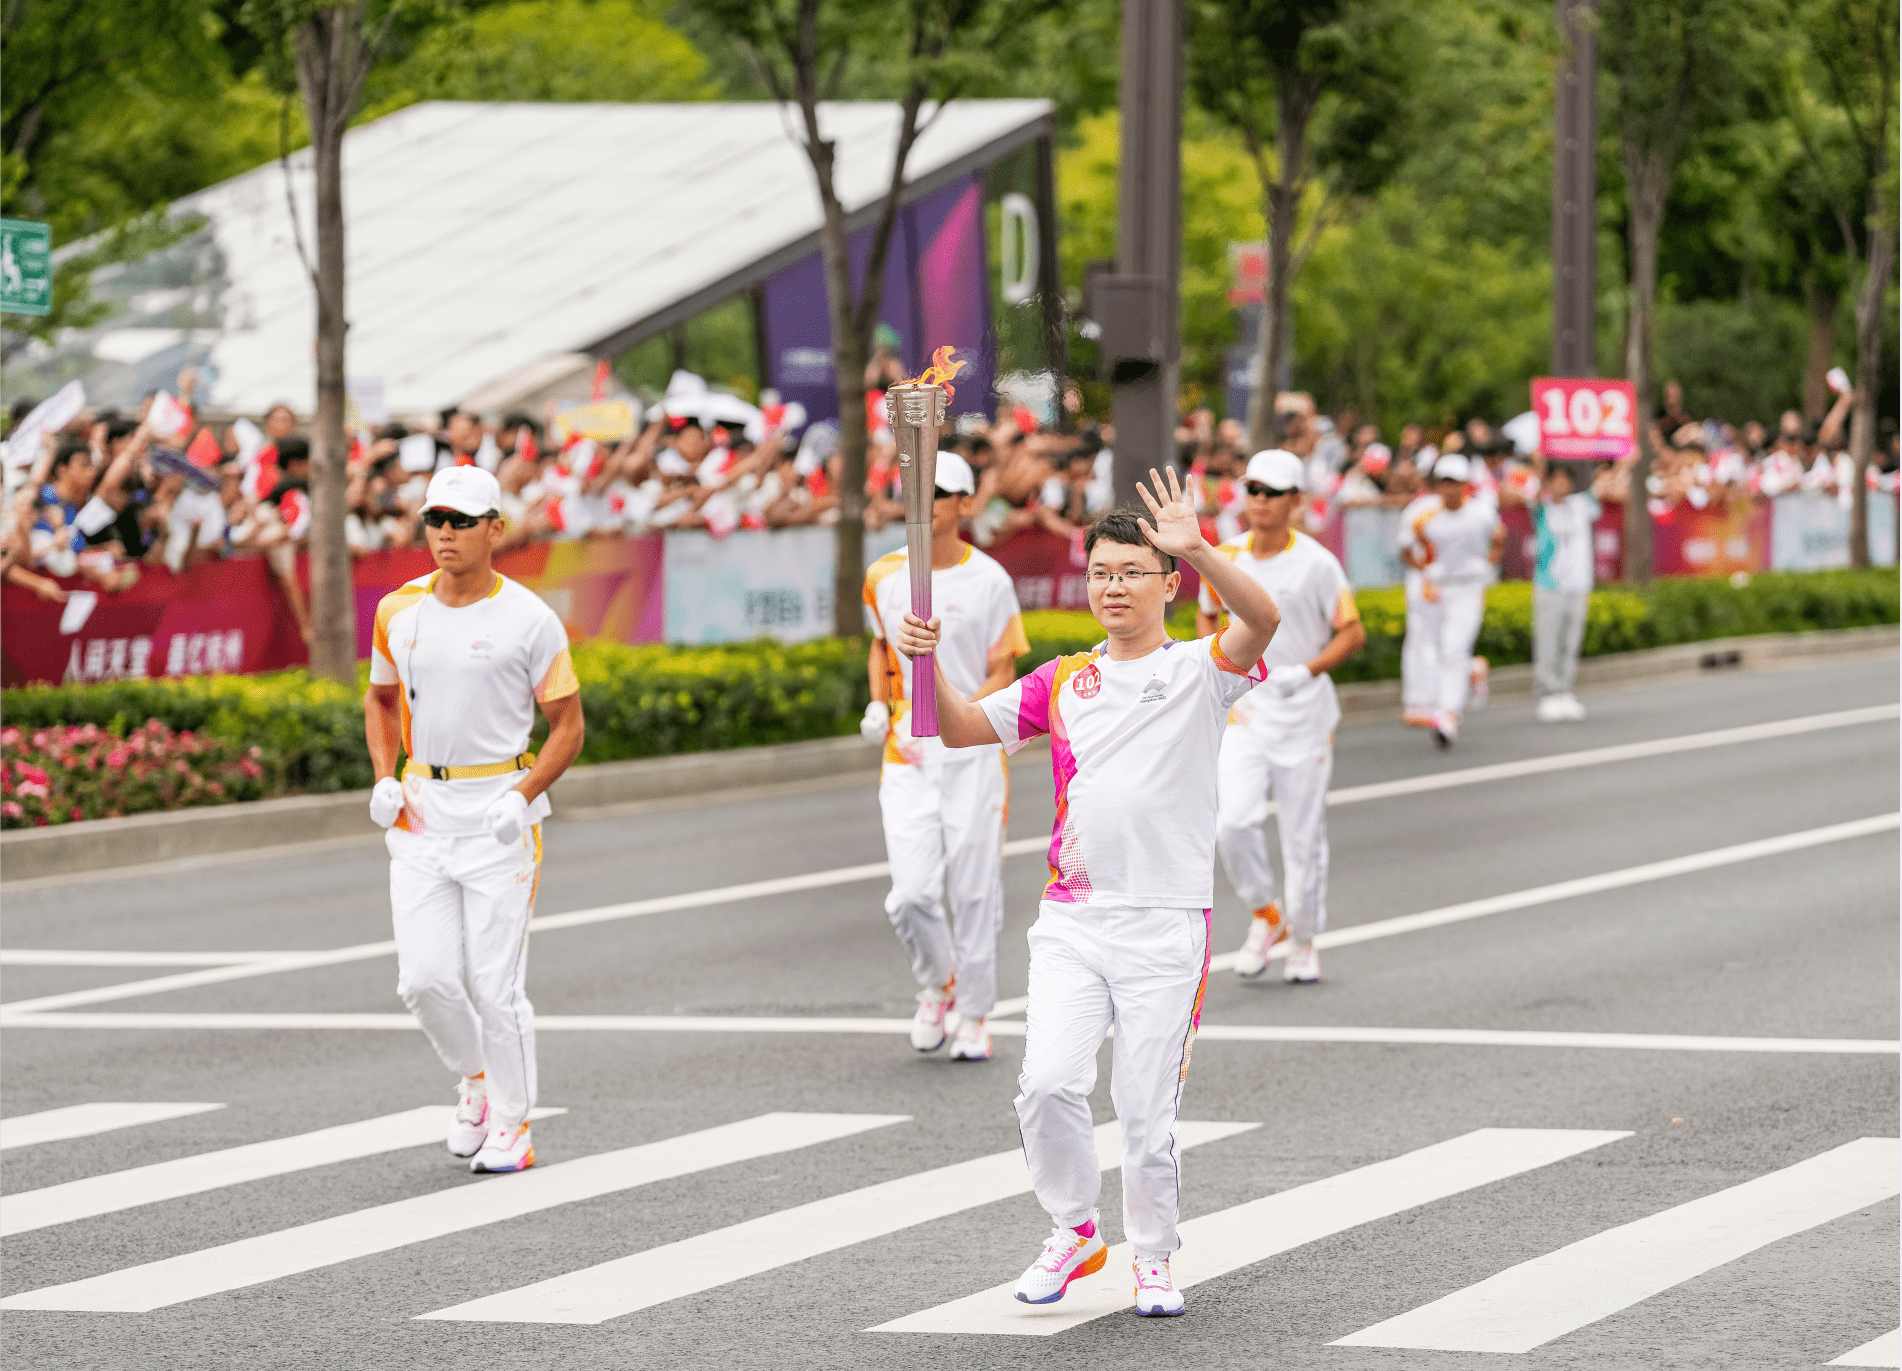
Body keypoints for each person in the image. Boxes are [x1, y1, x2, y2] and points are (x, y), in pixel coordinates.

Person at [891, 470, 1279, 1318]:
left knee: (1145, 1109)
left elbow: (1263, 621)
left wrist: (1201, 544)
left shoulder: (1201, 671)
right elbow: (955, 729)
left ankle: (1152, 1256)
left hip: (1166, 922)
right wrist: (921, 665)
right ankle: (1075, 1228)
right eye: (1102, 572)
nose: (1113, 586)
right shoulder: (1063, 679)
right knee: (1047, 1082)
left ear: (1168, 583)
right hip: (1073, 917)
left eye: (1132, 572)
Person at [362, 466, 586, 1174]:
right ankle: (478, 1078)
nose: (445, 534)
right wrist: (383, 777)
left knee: (495, 986)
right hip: (423, 813)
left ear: (496, 527)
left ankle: (514, 1128)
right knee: (423, 981)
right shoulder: (399, 610)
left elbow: (569, 726)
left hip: (499, 816)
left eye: (462, 520)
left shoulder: (529, 619)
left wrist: (520, 796)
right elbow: (378, 698)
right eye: (435, 520)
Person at [860, 450, 1028, 1062]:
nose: (923, 505)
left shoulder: (989, 581)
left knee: (975, 890)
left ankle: (975, 1013)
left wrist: (954, 721)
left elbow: (1002, 670)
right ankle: (940, 981)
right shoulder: (883, 575)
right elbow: (883, 650)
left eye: (936, 495)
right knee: (911, 894)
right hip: (907, 758)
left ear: (961, 504)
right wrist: (884, 707)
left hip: (973, 754)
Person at [1197, 450, 1365, 985]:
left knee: (1302, 835)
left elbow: (1351, 631)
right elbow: (1207, 617)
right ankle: (1265, 913)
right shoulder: (1225, 555)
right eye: (1253, 490)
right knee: (1233, 822)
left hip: (1303, 713)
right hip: (1246, 710)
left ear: (1296, 501)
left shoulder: (1316, 563)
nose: (1261, 502)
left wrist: (1308, 671)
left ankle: (1305, 938)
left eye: (1273, 492)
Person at [1398, 452, 1503, 747]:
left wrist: (1488, 564)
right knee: (1432, 647)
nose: (1449, 488)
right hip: (1438, 588)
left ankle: (1447, 713)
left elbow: (1499, 537)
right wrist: (1425, 572)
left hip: (1468, 588)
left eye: (1455, 482)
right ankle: (1469, 674)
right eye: (1444, 482)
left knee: (1454, 648)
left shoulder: (1481, 513)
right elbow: (1405, 548)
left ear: (1465, 484)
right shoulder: (1423, 515)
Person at [1532, 459, 1598, 722]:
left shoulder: (1582, 505)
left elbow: (1600, 486)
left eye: (1565, 479)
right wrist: (1539, 464)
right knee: (1549, 640)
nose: (1561, 484)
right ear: (1548, 483)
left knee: (1571, 642)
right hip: (1550, 585)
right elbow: (1532, 491)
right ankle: (1546, 692)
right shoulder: (1541, 509)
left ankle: (1564, 690)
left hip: (1579, 584)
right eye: (1555, 479)